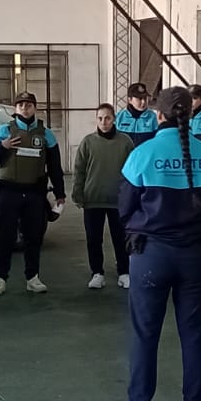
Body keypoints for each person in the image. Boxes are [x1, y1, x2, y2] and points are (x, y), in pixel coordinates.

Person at [118, 87, 201, 401]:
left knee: (145, 331)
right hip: (198, 255)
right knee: (194, 331)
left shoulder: (143, 153)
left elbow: (124, 208)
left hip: (151, 255)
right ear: (190, 115)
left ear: (158, 115)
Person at [0, 92, 66, 296]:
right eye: (20, 104)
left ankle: (32, 277)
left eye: (28, 104)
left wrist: (60, 193)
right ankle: (0, 277)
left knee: (33, 237)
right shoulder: (5, 131)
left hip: (34, 193)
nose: (24, 108)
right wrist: (2, 146)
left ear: (35, 108)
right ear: (15, 108)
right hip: (8, 191)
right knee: (5, 236)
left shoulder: (46, 134)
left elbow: (55, 167)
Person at [72, 104, 134, 290]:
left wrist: (131, 196)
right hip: (93, 199)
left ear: (114, 119)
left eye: (107, 118)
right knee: (93, 239)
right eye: (100, 118)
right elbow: (79, 170)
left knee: (120, 238)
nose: (104, 122)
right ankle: (97, 273)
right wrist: (77, 193)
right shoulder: (88, 142)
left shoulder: (125, 142)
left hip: (118, 201)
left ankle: (124, 272)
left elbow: (132, 171)